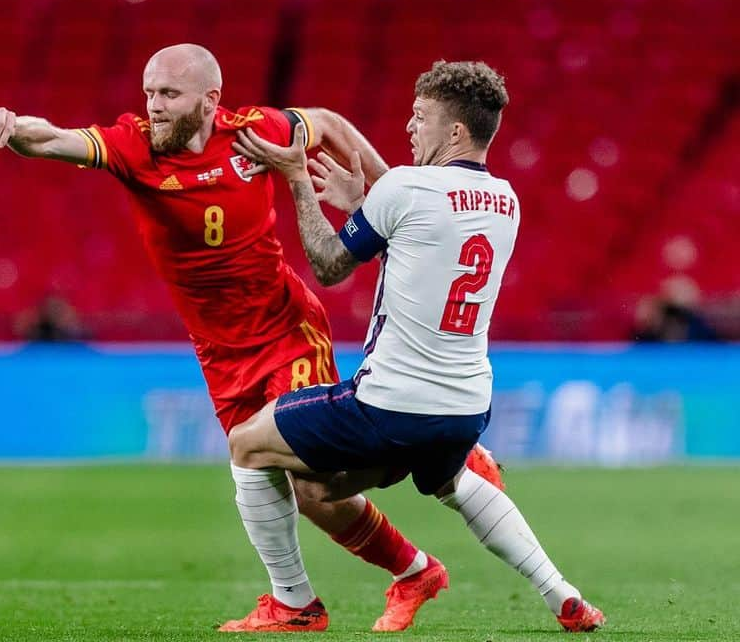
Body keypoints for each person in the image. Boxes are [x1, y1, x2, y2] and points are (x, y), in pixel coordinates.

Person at [0, 44, 504, 631]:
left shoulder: (255, 134)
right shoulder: (132, 146)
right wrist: (11, 126)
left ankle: (305, 596)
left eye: (168, 95)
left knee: (309, 478)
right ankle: (413, 571)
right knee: (296, 484)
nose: (152, 106)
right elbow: (52, 138)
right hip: (219, 352)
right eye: (149, 92)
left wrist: (393, 193)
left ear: (209, 101)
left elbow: (326, 124)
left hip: (285, 329)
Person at [226, 60, 606, 632]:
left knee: (247, 444)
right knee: (319, 486)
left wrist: (296, 178)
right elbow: (420, 252)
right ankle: (563, 596)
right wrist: (365, 205)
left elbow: (329, 266)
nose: (409, 128)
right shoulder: (506, 200)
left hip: (388, 404)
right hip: (465, 407)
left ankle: (292, 603)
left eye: (421, 116)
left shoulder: (406, 185)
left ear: (454, 132)